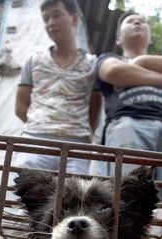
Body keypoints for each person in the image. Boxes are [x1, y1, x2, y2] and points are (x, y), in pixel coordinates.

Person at [95, 11, 162, 206]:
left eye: (142, 21)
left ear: (150, 37)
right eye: (130, 21)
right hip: (127, 124)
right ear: (118, 38)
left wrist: (141, 62)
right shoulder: (108, 58)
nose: (137, 22)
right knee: (128, 193)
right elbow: (113, 71)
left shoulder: (160, 62)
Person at [13, 0, 101, 174]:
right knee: (28, 198)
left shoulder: (92, 64)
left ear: (74, 19)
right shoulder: (34, 60)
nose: (51, 23)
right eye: (46, 19)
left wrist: (78, 131)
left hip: (78, 146)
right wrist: (41, 126)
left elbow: (95, 109)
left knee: (73, 199)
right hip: (35, 141)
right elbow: (20, 106)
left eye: (56, 15)